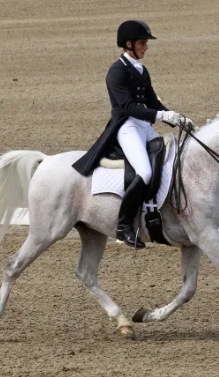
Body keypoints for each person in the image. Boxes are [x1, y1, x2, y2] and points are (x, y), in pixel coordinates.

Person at [72, 19, 193, 249]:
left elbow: (150, 101)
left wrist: (176, 118)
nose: (146, 47)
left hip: (144, 127)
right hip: (127, 127)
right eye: (142, 43)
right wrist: (161, 116)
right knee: (145, 172)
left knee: (168, 160)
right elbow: (127, 107)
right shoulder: (116, 71)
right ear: (128, 44)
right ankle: (123, 225)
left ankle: (156, 211)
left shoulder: (141, 69)